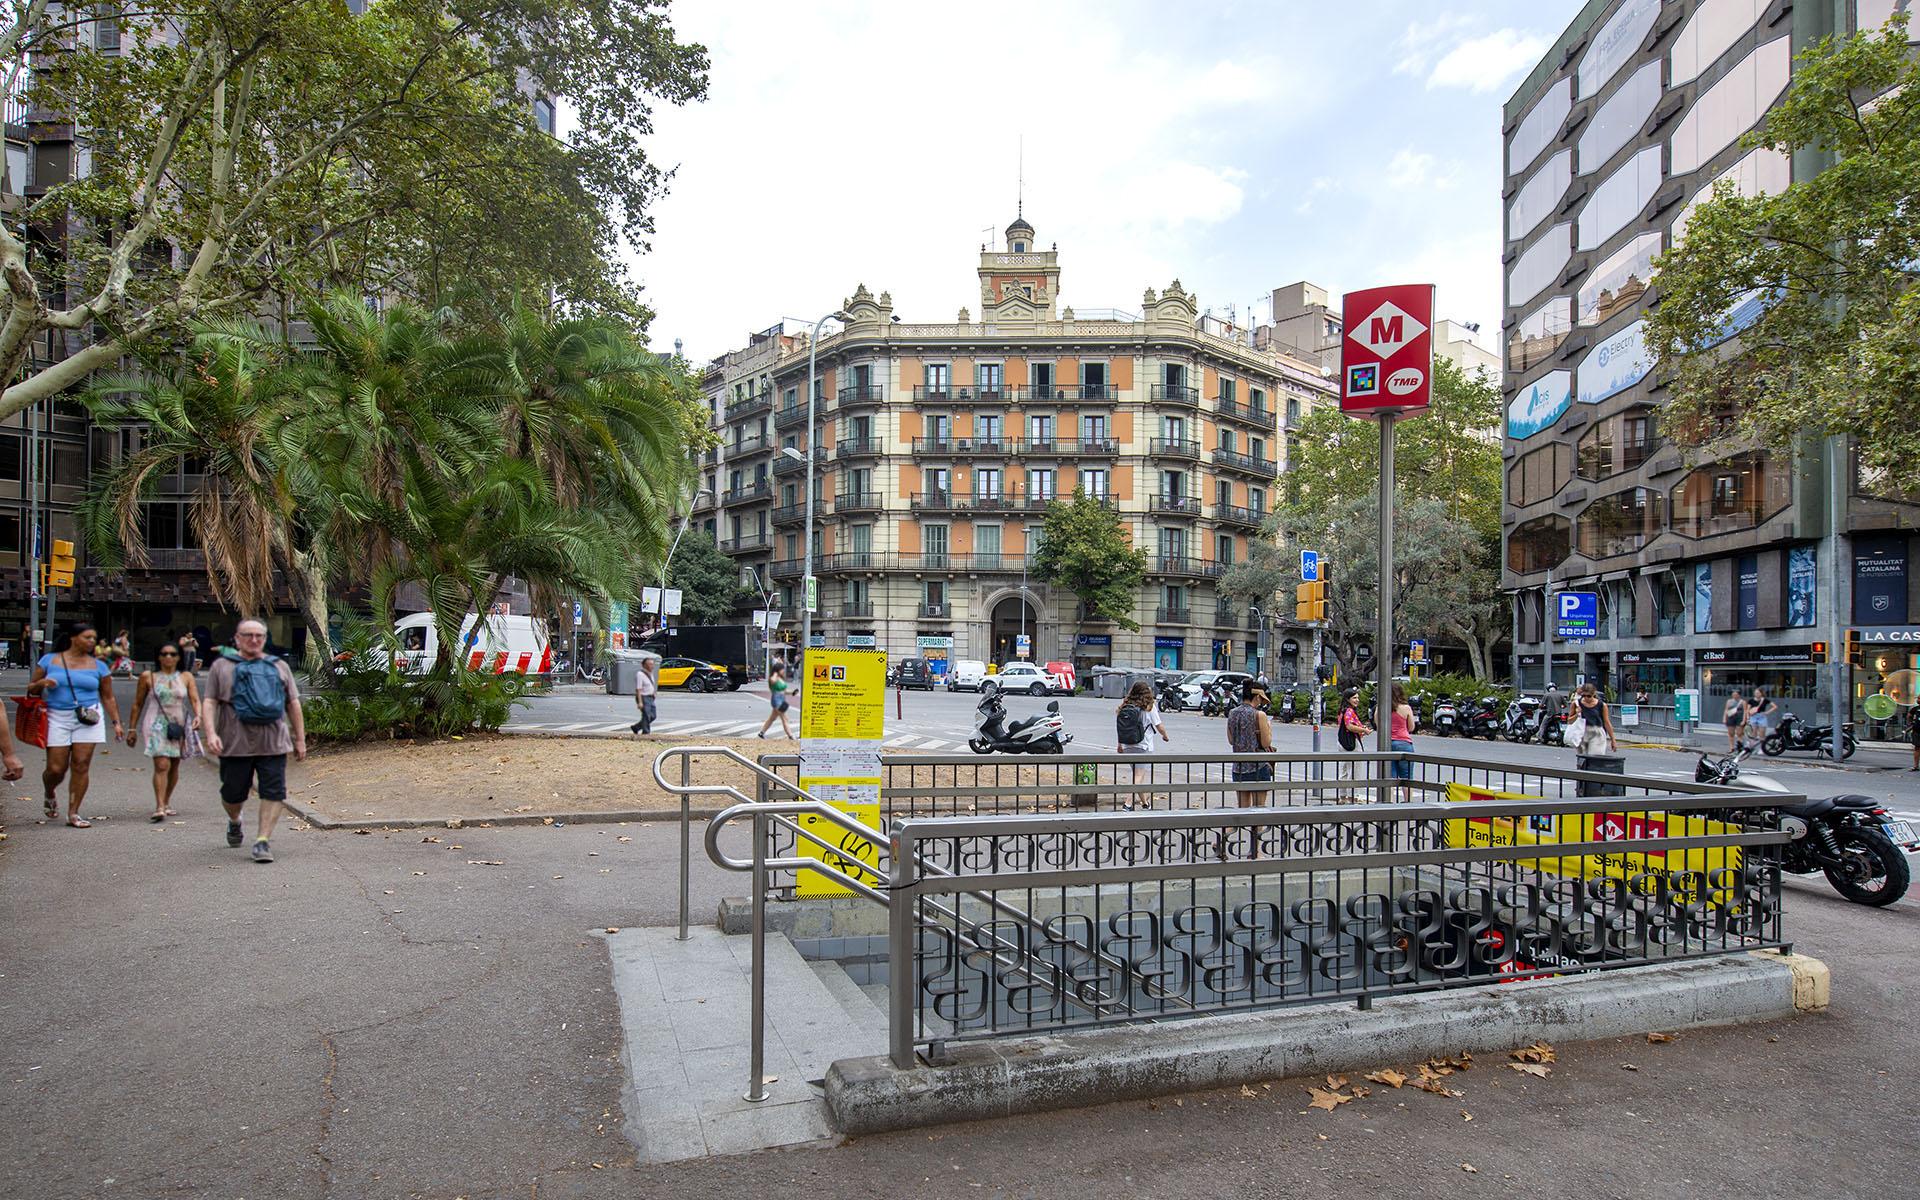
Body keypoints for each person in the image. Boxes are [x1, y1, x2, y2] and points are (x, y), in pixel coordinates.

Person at [200, 619, 306, 863]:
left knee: (274, 791)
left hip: (273, 741)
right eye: (248, 635)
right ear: (237, 638)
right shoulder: (222, 666)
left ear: (265, 639)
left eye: (259, 635)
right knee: (232, 793)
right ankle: (235, 820)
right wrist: (211, 733)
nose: (254, 639)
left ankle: (262, 841)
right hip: (234, 741)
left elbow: (293, 703)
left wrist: (300, 739)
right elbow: (210, 701)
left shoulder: (279, 666)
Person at [28, 621, 124, 827]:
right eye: (87, 637)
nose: (92, 641)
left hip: (89, 716)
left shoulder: (99, 666)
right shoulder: (49, 660)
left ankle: (73, 812)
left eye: (93, 638)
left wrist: (116, 722)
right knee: (56, 768)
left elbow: (108, 696)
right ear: (73, 638)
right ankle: (49, 791)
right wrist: (42, 683)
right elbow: (31, 689)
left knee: (81, 764)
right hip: (56, 716)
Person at [128, 643, 201, 821]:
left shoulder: (186, 677)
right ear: (158, 657)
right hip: (156, 723)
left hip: (178, 723)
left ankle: (166, 801)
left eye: (173, 654)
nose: (168, 657)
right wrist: (132, 728)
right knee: (161, 764)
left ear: (179, 657)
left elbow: (195, 699)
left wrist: (198, 715)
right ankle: (159, 806)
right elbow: (137, 704)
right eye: (164, 653)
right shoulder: (148, 677)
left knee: (174, 764)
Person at [1225, 679, 1274, 808]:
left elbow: (1231, 740)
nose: (1260, 702)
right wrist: (1269, 727)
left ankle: (1241, 822)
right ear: (1257, 697)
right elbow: (1265, 743)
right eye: (1261, 699)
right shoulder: (1259, 715)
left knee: (1243, 809)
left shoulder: (1232, 713)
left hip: (1238, 767)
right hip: (1258, 766)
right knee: (1259, 809)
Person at [1570, 682, 1616, 756]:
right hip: (1581, 733)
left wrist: (1613, 740)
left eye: (1589, 696)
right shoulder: (1576, 704)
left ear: (1594, 694)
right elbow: (1569, 721)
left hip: (1596, 733)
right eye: (1583, 695)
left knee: (1595, 757)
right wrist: (1577, 714)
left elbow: (1606, 722)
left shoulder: (1602, 705)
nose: (1586, 698)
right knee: (1583, 759)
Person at [757, 661, 795, 740]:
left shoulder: (781, 679)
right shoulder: (773, 678)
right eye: (782, 669)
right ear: (778, 670)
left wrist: (792, 692)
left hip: (782, 699)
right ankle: (790, 736)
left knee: (772, 718)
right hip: (776, 699)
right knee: (784, 718)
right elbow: (772, 681)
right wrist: (775, 673)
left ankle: (761, 733)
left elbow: (784, 691)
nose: (783, 671)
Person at [1388, 683, 1416, 789]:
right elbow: (1411, 727)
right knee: (1407, 777)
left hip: (1387, 744)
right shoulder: (1406, 708)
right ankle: (1407, 799)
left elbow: (1378, 724)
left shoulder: (1381, 708)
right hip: (1404, 743)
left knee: (1389, 777)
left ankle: (1388, 798)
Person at [629, 655, 658, 736]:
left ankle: (636, 727)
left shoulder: (651, 674)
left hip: (650, 697)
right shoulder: (640, 674)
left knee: (653, 716)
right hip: (643, 697)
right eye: (649, 664)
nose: (651, 666)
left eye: (652, 664)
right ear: (644, 665)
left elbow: (650, 685)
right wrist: (640, 702)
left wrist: (653, 693)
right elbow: (638, 689)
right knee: (646, 715)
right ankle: (646, 732)